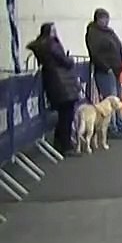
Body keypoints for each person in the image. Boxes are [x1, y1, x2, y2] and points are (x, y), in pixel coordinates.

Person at [27, 22, 81, 155]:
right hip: (62, 82)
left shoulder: (40, 46)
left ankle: (59, 143)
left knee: (63, 115)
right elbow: (65, 61)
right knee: (67, 116)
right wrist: (70, 60)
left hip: (52, 82)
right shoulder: (52, 44)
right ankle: (65, 146)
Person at [84, 7, 122, 139]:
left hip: (115, 70)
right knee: (109, 101)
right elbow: (94, 53)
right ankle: (111, 127)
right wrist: (106, 67)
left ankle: (119, 124)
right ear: (98, 19)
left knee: (118, 100)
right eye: (103, 18)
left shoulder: (109, 32)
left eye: (107, 18)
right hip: (105, 71)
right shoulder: (93, 33)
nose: (106, 21)